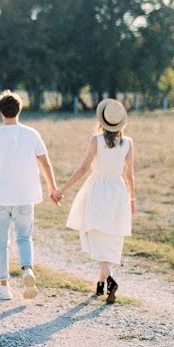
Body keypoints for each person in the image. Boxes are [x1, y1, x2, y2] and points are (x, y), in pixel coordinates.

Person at [51, 98, 136, 304]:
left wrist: (61, 189)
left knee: (95, 236)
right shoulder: (128, 143)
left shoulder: (96, 141)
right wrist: (132, 198)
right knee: (107, 237)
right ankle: (100, 283)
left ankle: (110, 280)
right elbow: (130, 174)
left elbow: (82, 169)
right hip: (118, 190)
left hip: (97, 189)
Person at [0, 91, 59, 301]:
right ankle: (27, 269)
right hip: (25, 196)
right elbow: (45, 163)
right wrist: (52, 188)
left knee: (0, 241)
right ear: (19, 110)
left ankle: (4, 287)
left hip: (0, 198)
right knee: (24, 237)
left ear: (0, 112)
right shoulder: (32, 134)